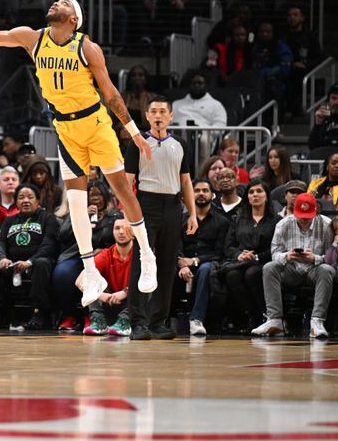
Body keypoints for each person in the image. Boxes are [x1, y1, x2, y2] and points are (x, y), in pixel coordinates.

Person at [0, 0, 160, 309]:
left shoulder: (86, 48)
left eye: (64, 3)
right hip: (65, 129)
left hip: (94, 123)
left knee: (123, 191)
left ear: (74, 19)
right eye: (56, 1)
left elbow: (111, 93)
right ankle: (91, 271)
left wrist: (134, 132)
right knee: (77, 203)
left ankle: (147, 255)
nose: (56, 4)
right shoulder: (34, 38)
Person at [125, 96, 197, 341]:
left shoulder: (180, 145)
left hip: (173, 206)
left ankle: (159, 322)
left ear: (171, 116)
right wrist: (127, 216)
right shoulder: (137, 142)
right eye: (153, 111)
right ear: (146, 116)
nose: (157, 116)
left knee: (167, 265)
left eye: (162, 112)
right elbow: (127, 182)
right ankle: (138, 323)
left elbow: (186, 181)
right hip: (145, 205)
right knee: (142, 263)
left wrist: (193, 214)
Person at [252, 193, 334, 338]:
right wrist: (287, 255)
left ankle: (317, 321)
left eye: (307, 215)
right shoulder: (283, 224)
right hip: (291, 269)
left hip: (315, 270)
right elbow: (275, 253)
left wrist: (315, 258)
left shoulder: (327, 224)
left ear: (316, 211)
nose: (303, 219)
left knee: (326, 269)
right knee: (269, 267)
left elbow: (332, 257)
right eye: (300, 215)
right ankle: (275, 320)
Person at [0, 184, 60, 329]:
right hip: (12, 263)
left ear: (38, 201)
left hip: (35, 262)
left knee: (42, 263)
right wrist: (1, 258)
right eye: (21, 197)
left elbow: (49, 245)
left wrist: (30, 261)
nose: (25, 201)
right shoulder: (9, 221)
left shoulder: (48, 219)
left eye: (30, 197)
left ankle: (39, 312)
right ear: (16, 202)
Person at [217, 179, 280, 333]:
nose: (255, 195)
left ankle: (266, 315)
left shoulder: (276, 220)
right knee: (232, 275)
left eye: (259, 191)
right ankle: (252, 317)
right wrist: (239, 255)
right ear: (247, 197)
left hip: (264, 261)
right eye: (251, 192)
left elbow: (276, 247)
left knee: (252, 274)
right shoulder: (238, 219)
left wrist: (256, 257)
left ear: (266, 196)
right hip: (241, 262)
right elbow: (229, 246)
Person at [177, 178, 229, 336]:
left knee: (206, 269)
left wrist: (194, 261)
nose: (200, 194)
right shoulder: (181, 219)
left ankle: (196, 319)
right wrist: (182, 264)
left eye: (205, 191)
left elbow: (220, 252)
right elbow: (175, 244)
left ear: (212, 195)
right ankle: (158, 319)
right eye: (197, 190)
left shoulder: (222, 221)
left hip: (208, 264)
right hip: (181, 263)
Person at [78, 218, 134, 336]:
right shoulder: (106, 254)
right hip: (110, 303)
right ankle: (99, 322)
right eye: (117, 228)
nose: (121, 232)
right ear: (112, 232)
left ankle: (125, 321)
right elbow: (80, 280)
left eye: (125, 227)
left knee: (150, 284)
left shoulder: (141, 253)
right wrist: (99, 294)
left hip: (135, 306)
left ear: (134, 231)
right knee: (90, 280)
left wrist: (125, 292)